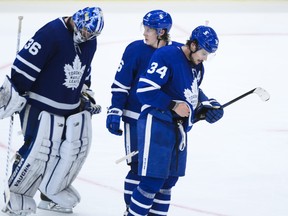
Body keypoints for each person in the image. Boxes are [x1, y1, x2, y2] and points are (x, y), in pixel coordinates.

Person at [0, 6, 104, 215]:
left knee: (66, 154)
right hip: (40, 106)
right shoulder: (51, 33)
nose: (87, 37)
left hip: (69, 107)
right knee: (38, 151)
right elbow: (23, 66)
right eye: (85, 31)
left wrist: (85, 94)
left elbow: (85, 69)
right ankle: (17, 196)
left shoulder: (90, 41)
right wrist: (15, 92)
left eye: (91, 34)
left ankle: (50, 195)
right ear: (76, 20)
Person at [126, 25, 224, 216]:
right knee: (152, 181)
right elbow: (145, 91)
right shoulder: (167, 56)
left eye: (208, 55)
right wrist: (172, 105)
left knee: (168, 181)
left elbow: (191, 93)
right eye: (204, 53)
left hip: (177, 130)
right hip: (157, 125)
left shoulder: (197, 66)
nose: (204, 58)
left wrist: (207, 106)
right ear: (193, 45)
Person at [106, 10, 182, 216]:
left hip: (164, 121)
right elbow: (121, 83)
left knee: (163, 172)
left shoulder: (176, 51)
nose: (144, 33)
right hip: (136, 118)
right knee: (139, 167)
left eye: (149, 29)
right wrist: (115, 109)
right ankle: (131, 211)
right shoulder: (135, 50)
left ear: (162, 32)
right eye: (145, 28)